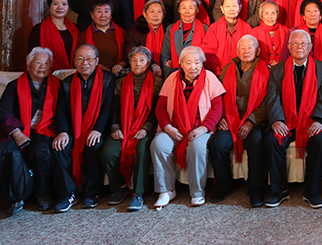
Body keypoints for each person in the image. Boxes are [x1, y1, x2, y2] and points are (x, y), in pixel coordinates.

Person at [264, 30, 322, 209]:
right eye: (295, 43)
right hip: (287, 121)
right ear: (289, 47)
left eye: (303, 43)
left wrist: (319, 120)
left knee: (321, 140)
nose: (299, 46)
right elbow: (272, 98)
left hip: (312, 120)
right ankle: (279, 191)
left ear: (310, 47)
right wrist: (277, 120)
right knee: (272, 139)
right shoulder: (278, 70)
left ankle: (311, 192)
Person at [152, 46, 225, 208]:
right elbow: (160, 107)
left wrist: (204, 128)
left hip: (200, 127)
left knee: (197, 148)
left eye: (197, 62)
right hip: (174, 127)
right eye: (189, 63)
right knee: (159, 144)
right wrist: (168, 128)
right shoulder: (172, 78)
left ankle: (197, 192)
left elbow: (218, 107)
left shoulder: (210, 78)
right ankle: (166, 190)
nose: (193, 67)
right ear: (181, 64)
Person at [51, 44, 115, 212]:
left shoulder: (108, 80)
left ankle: (91, 192)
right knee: (59, 147)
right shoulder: (67, 83)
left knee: (94, 145)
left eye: (88, 59)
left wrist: (98, 129)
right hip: (74, 129)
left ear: (97, 61)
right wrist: (63, 132)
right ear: (74, 62)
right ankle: (67, 194)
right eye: (80, 59)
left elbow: (108, 108)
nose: (84, 63)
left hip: (99, 128)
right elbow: (61, 110)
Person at [208, 35, 270, 207]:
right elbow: (218, 96)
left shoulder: (267, 70)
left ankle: (255, 190)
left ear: (258, 51)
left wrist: (251, 121)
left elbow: (268, 101)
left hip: (254, 120)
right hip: (230, 118)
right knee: (217, 144)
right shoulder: (228, 69)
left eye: (250, 47)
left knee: (256, 143)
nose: (246, 51)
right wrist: (221, 117)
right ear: (237, 51)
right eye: (242, 48)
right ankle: (224, 186)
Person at [100, 46, 163, 211]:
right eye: (134, 60)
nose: (138, 63)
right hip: (124, 126)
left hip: (146, 127)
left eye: (142, 60)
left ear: (148, 63)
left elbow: (156, 110)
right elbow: (114, 108)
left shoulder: (157, 83)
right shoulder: (120, 82)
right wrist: (115, 127)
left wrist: (146, 128)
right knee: (108, 152)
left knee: (141, 150)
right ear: (129, 62)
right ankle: (119, 187)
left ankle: (138, 192)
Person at [0, 48, 60, 215]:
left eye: (46, 63)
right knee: (6, 151)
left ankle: (43, 194)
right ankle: (12, 198)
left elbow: (62, 111)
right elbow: (4, 112)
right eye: (38, 63)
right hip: (17, 130)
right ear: (28, 65)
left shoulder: (56, 85)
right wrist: (17, 133)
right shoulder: (14, 86)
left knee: (41, 153)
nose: (42, 67)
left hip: (45, 129)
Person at [28, 0, 79, 71]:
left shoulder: (75, 29)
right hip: (46, 73)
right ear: (49, 7)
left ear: (68, 7)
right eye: (55, 4)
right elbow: (33, 57)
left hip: (73, 73)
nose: (60, 7)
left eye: (64, 4)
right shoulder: (39, 29)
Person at [201, 0, 252, 74]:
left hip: (241, 73)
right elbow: (208, 53)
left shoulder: (247, 28)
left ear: (240, 8)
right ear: (222, 9)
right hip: (218, 73)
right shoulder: (214, 28)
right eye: (227, 6)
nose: (231, 9)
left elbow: (250, 53)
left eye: (234, 6)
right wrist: (218, 72)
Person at [115, 0, 165, 78]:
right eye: (152, 11)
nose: (155, 15)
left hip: (165, 69)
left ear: (163, 15)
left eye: (159, 12)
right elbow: (130, 53)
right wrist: (152, 64)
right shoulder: (135, 31)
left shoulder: (169, 30)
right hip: (142, 70)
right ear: (145, 14)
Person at [161, 0, 208, 77]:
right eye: (183, 8)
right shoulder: (171, 29)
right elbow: (164, 57)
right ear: (179, 10)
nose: (187, 12)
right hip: (175, 74)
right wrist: (170, 74)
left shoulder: (205, 29)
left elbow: (207, 56)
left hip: (197, 74)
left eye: (191, 8)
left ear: (197, 10)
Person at [76, 0, 126, 71]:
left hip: (119, 74)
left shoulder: (122, 33)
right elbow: (79, 58)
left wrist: (121, 65)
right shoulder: (84, 36)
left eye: (106, 11)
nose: (103, 15)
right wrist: (98, 66)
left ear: (111, 14)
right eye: (99, 11)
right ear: (92, 15)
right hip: (93, 74)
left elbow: (129, 56)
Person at [296, 0, 322, 65]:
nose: (312, 14)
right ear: (303, 16)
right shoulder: (294, 33)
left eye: (316, 11)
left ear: (320, 16)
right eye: (308, 11)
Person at [251, 1, 290, 66]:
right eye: (266, 13)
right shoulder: (253, 33)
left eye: (273, 13)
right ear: (261, 15)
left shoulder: (287, 31)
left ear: (277, 15)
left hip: (283, 67)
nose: (270, 16)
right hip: (261, 68)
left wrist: (280, 63)